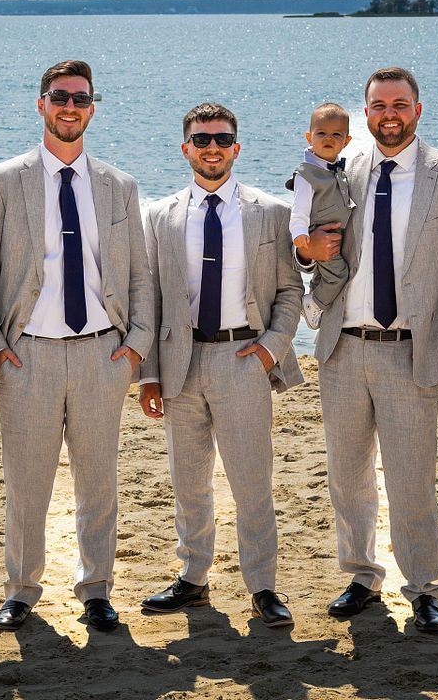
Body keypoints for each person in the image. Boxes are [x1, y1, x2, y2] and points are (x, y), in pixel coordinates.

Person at [296, 67, 438, 631]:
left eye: (400, 104)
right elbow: (312, 245)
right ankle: (361, 576)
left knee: (411, 476)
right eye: (378, 105)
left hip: (410, 351)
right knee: (347, 473)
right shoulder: (342, 169)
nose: (389, 114)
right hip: (343, 348)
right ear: (365, 113)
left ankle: (424, 587)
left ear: (418, 110)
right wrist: (306, 256)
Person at [0, 59, 155, 634]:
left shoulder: (119, 185)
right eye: (59, 97)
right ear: (41, 105)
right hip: (30, 356)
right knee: (27, 482)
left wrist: (135, 348)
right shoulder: (4, 180)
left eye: (79, 98)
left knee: (98, 479)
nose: (69, 107)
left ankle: (96, 588)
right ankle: (23, 588)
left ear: (92, 108)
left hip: (104, 353)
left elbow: (141, 275)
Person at [138, 103, 304, 628]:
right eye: (202, 139)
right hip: (180, 363)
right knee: (189, 483)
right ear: (186, 147)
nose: (212, 147)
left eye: (222, 139)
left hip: (242, 360)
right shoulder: (159, 216)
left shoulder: (270, 214)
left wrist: (269, 348)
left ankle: (263, 587)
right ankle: (193, 579)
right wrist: (149, 373)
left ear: (237, 146)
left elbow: (289, 290)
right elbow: (149, 300)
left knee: (252, 481)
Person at [286, 102, 355, 329]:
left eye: (336, 134)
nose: (329, 138)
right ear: (309, 137)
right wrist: (299, 233)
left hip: (336, 236)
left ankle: (315, 299)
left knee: (325, 276)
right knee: (339, 275)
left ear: (346, 141)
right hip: (321, 237)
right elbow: (300, 207)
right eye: (321, 133)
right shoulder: (306, 174)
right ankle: (314, 303)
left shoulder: (337, 169)